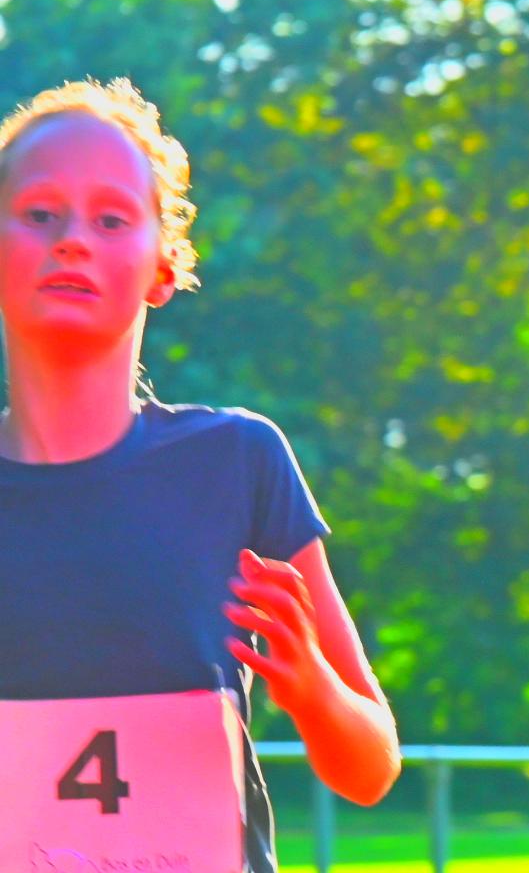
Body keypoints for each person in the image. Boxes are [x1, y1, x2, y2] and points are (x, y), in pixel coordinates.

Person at [0, 78, 400, 870]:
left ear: (164, 267)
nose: (72, 239)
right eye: (40, 213)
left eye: (112, 219)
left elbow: (371, 767)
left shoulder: (239, 463)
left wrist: (311, 685)